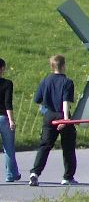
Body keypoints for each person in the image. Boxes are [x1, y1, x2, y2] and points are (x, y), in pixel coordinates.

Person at [29, 54, 77, 186]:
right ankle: (68, 177)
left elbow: (38, 100)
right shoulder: (67, 82)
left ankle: (35, 173)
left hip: (49, 116)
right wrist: (66, 119)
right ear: (63, 66)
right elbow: (65, 101)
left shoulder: (45, 81)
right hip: (62, 115)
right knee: (68, 146)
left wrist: (45, 111)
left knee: (44, 145)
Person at [0, 58, 19, 182]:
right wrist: (11, 120)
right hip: (3, 118)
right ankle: (11, 174)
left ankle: (14, 173)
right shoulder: (7, 84)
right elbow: (8, 103)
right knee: (8, 147)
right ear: (2, 69)